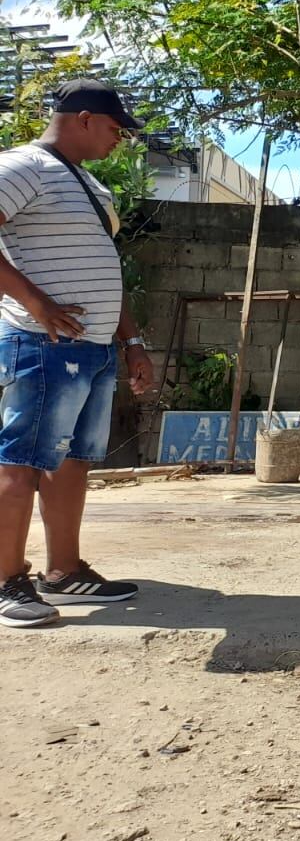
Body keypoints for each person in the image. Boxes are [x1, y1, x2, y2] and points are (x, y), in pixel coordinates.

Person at [0, 79, 155, 628]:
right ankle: (6, 580)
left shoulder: (87, 183)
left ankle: (64, 572)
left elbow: (105, 269)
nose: (120, 140)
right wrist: (37, 303)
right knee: (22, 461)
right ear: (84, 118)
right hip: (42, 343)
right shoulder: (21, 168)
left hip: (93, 347)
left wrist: (130, 341)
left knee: (72, 462)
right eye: (116, 129)